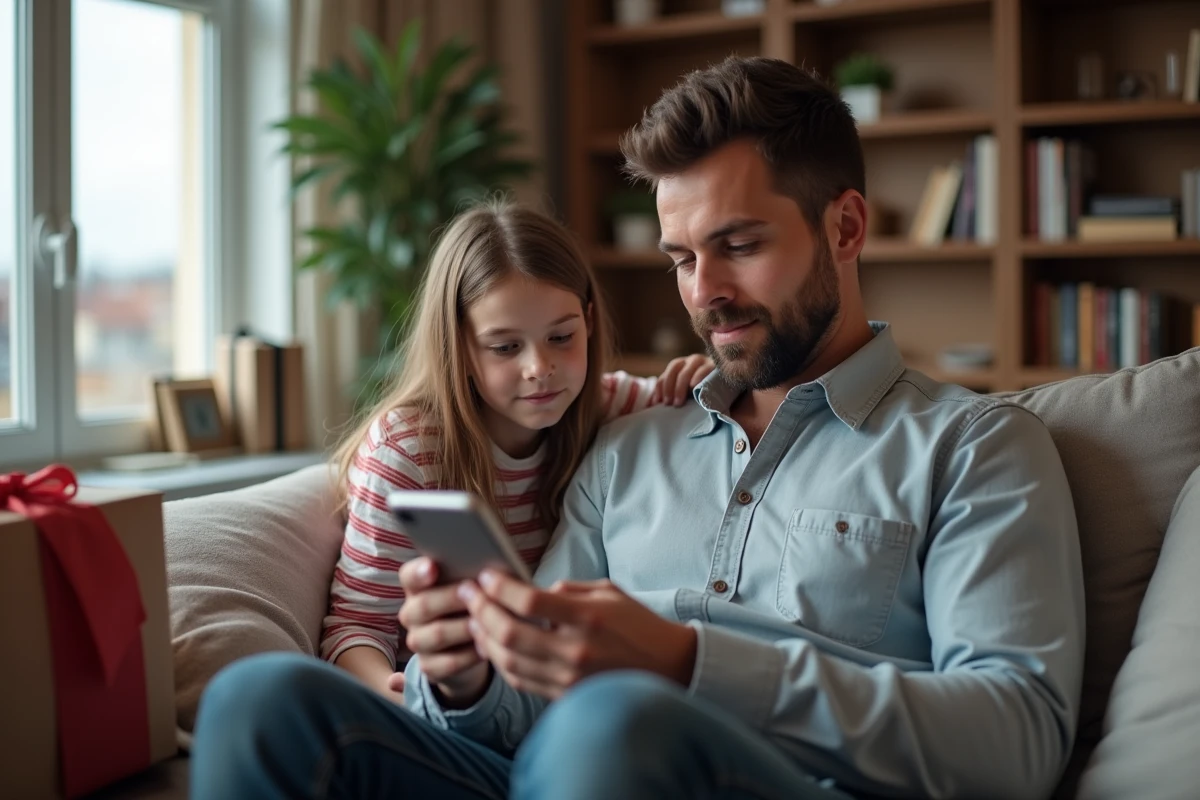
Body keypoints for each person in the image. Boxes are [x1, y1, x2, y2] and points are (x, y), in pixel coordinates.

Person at [191, 57, 1085, 800]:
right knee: (262, 701)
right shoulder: (627, 447)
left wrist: (690, 663)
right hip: (557, 772)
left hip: (766, 778)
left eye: (738, 246)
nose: (704, 293)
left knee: (614, 722)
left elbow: (1017, 740)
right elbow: (522, 703)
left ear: (845, 226)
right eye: (682, 258)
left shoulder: (975, 447)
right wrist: (466, 679)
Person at [317, 200, 712, 703]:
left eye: (561, 337)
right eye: (505, 347)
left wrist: (699, 375)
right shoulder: (408, 448)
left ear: (589, 321)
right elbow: (355, 625)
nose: (540, 367)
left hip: (547, 700)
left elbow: (707, 402)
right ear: (457, 345)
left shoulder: (610, 405)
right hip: (438, 695)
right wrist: (393, 696)